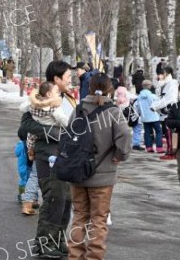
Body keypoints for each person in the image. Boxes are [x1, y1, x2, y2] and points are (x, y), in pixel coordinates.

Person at [68, 73, 131, 260]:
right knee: (99, 219)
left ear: (88, 87)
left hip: (77, 173)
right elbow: (125, 136)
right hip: (103, 175)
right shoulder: (113, 112)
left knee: (79, 216)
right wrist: (120, 155)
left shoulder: (78, 110)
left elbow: (68, 136)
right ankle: (94, 257)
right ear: (109, 90)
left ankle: (74, 256)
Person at [18, 61, 76, 258]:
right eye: (68, 77)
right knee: (53, 198)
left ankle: (59, 240)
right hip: (47, 155)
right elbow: (24, 128)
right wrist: (56, 134)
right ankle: (44, 244)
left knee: (66, 200)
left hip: (67, 156)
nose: (71, 80)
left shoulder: (68, 98)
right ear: (57, 79)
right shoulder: (38, 99)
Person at [152, 66, 179, 160]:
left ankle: (172, 152)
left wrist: (155, 106)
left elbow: (168, 98)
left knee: (169, 133)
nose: (159, 76)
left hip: (169, 112)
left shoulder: (171, 84)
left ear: (166, 74)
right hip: (164, 112)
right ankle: (170, 150)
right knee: (167, 133)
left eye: (160, 74)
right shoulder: (164, 84)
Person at [134, 80, 164, 153]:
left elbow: (136, 107)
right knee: (159, 132)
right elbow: (159, 104)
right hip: (154, 117)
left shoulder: (139, 97)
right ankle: (159, 148)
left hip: (144, 118)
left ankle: (149, 147)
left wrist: (139, 114)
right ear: (148, 86)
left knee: (147, 132)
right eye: (150, 85)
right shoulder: (152, 96)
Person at [115, 86, 143, 150]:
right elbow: (136, 97)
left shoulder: (117, 96)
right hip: (129, 113)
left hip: (121, 114)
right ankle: (136, 144)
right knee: (136, 127)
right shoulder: (127, 94)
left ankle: (120, 143)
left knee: (121, 129)